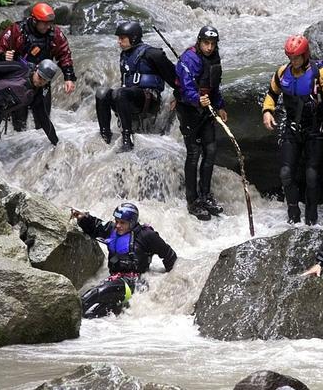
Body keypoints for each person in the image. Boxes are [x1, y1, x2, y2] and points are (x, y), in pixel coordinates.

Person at [262, 35, 323, 225]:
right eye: (291, 57)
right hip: (292, 128)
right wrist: (267, 111)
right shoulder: (282, 73)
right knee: (285, 172)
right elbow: (271, 94)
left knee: (311, 175)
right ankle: (293, 215)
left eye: (297, 57)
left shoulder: (320, 73)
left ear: (305, 55)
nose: (294, 61)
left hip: (315, 130)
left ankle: (311, 219)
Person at [72, 202, 177, 318]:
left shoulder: (147, 235)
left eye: (122, 223)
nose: (118, 225)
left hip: (135, 284)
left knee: (95, 294)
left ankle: (70, 315)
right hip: (116, 281)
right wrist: (82, 218)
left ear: (132, 223)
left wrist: (170, 281)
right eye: (116, 221)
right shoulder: (112, 230)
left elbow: (169, 255)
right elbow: (95, 226)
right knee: (91, 315)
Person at [0, 2, 75, 132]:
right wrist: (3, 56)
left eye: (50, 23)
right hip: (20, 81)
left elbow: (64, 54)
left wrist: (68, 77)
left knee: (43, 120)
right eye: (44, 23)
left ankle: (43, 146)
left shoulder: (55, 34)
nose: (48, 26)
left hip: (42, 80)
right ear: (35, 20)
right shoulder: (16, 30)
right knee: (19, 122)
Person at [95, 21, 177, 152]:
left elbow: (174, 78)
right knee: (102, 93)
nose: (119, 42)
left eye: (122, 38)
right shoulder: (125, 55)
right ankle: (105, 135)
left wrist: (179, 95)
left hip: (149, 100)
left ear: (133, 38)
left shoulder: (153, 54)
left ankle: (127, 139)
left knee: (121, 93)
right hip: (129, 98)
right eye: (118, 38)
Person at [174, 25, 227, 221]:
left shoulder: (214, 58)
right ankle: (192, 200)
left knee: (211, 150)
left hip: (206, 110)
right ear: (199, 41)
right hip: (188, 110)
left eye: (213, 44)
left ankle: (206, 195)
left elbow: (214, 86)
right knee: (194, 153)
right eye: (206, 43)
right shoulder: (189, 58)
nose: (209, 47)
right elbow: (186, 86)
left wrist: (219, 105)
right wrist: (197, 99)